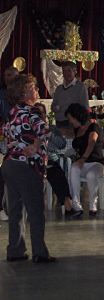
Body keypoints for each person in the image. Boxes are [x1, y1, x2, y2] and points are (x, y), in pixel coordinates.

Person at [2, 74, 55, 263]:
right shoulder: (31, 112)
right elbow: (45, 131)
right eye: (34, 88)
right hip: (27, 166)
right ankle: (40, 252)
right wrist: (38, 143)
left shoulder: (12, 112)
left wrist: (32, 142)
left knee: (15, 210)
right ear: (25, 92)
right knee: (35, 211)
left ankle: (15, 250)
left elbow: (7, 135)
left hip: (10, 164)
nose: (38, 91)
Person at [34, 102, 83, 218]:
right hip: (37, 161)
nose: (40, 117)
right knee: (53, 170)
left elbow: (62, 144)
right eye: (37, 114)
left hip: (51, 160)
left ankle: (67, 203)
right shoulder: (31, 129)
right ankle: (68, 205)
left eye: (42, 114)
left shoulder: (52, 129)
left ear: (45, 115)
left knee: (56, 171)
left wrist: (50, 134)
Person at [65, 103, 104, 216]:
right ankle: (76, 205)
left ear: (77, 116)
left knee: (91, 175)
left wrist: (83, 158)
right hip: (83, 163)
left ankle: (93, 204)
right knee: (73, 169)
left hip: (96, 163)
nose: (70, 121)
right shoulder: (77, 129)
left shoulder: (93, 126)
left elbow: (91, 142)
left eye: (70, 118)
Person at [0, 66, 19, 221]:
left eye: (10, 75)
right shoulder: (1, 93)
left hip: (19, 138)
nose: (7, 78)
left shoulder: (21, 95)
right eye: (6, 75)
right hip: (4, 134)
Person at [51, 61, 89, 128]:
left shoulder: (81, 87)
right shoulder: (58, 88)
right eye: (64, 71)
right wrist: (54, 108)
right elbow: (53, 105)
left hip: (73, 124)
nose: (66, 73)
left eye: (69, 70)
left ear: (75, 71)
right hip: (59, 122)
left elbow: (85, 107)